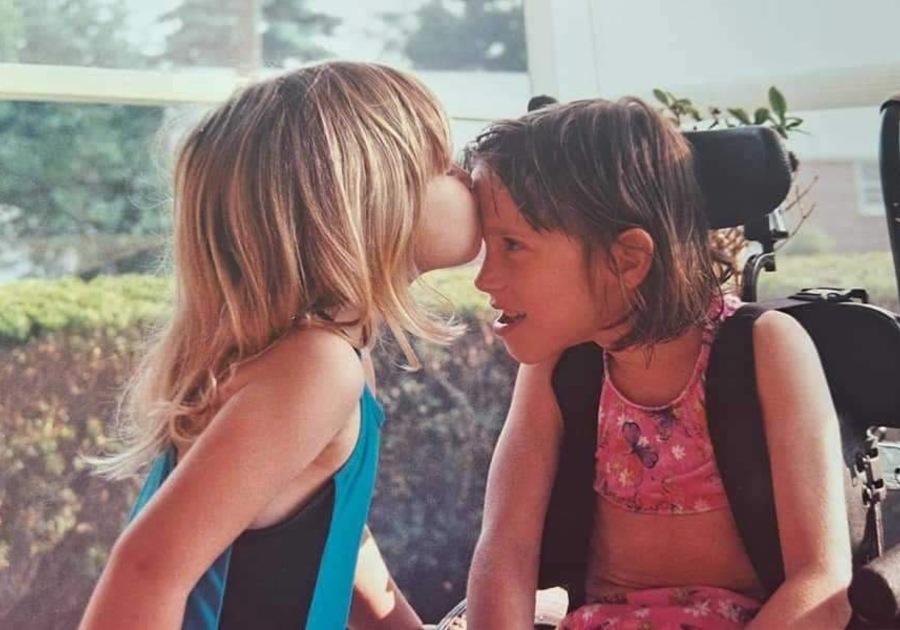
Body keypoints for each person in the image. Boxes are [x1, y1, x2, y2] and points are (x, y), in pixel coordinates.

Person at [80, 60, 480, 630]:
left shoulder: (338, 356)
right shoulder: (316, 366)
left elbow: (338, 532)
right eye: (443, 163)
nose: (466, 177)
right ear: (366, 204)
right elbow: (146, 570)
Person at [463, 97, 851, 629]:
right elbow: (505, 549)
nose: (483, 279)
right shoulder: (559, 369)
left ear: (627, 260)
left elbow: (822, 582)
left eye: (512, 246)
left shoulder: (763, 349)